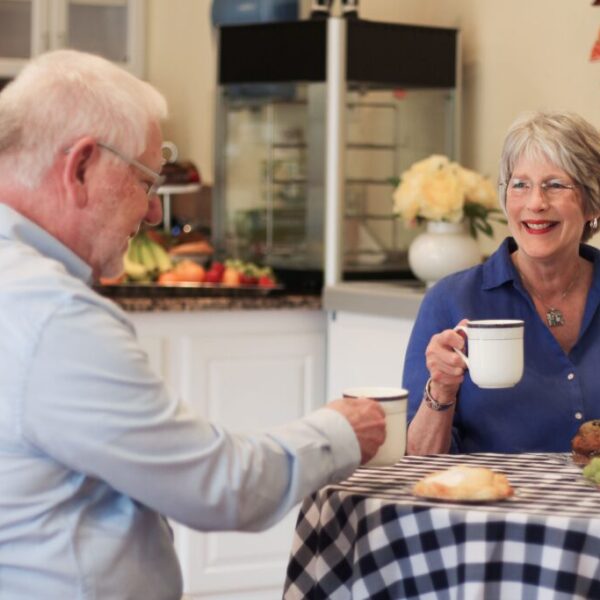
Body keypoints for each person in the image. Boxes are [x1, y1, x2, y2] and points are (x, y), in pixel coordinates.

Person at [0, 50, 386, 599]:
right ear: (81, 166)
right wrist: (341, 429)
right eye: (143, 182)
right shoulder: (53, 317)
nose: (155, 215)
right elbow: (221, 487)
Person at [403, 110, 600, 455]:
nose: (536, 203)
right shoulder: (450, 300)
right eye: (520, 185)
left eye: (555, 185)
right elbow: (419, 461)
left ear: (591, 202)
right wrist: (441, 390)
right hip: (491, 505)